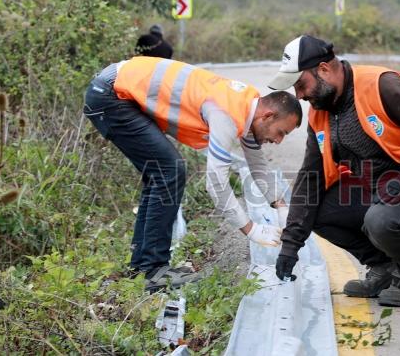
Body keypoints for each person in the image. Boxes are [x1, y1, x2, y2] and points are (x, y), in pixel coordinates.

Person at [268, 35, 400, 307]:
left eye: (301, 85)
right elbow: (310, 178)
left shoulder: (379, 85)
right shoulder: (320, 114)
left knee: (380, 219)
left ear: (324, 69)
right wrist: (291, 245)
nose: (299, 96)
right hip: (381, 193)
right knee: (318, 209)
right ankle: (383, 267)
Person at [84, 56, 302, 290]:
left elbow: (258, 166)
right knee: (169, 170)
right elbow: (216, 183)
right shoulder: (227, 113)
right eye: (281, 132)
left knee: (161, 173)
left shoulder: (249, 107)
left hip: (117, 90)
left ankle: (143, 267)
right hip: (111, 95)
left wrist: (281, 207)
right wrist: (251, 229)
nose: (278, 141)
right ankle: (153, 270)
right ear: (267, 116)